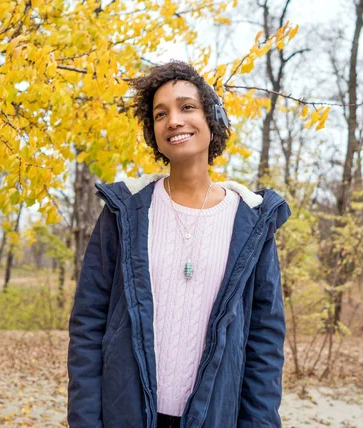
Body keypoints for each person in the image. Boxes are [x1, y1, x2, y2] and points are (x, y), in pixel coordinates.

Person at [67, 60, 290, 428]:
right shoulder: (123, 212)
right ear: (152, 130)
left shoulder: (251, 221)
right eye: (160, 113)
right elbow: (88, 327)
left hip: (216, 416)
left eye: (187, 107)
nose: (173, 120)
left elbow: (264, 345)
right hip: (124, 415)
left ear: (212, 117)